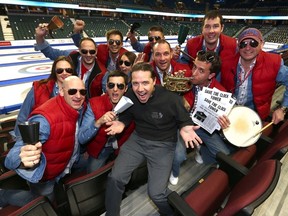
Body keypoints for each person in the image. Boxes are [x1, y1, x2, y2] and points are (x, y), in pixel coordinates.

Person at [104, 62, 202, 216]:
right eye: (135, 83)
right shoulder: (130, 94)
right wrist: (122, 123)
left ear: (154, 81)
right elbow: (128, 114)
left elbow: (184, 120)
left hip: (163, 145)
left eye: (145, 83)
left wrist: (185, 127)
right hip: (138, 140)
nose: (140, 89)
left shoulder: (171, 98)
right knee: (115, 178)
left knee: (156, 194)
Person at [2, 76, 86, 207]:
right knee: (44, 203)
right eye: (72, 91)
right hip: (46, 176)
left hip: (63, 165)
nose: (78, 95)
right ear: (62, 91)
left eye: (82, 92)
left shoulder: (78, 107)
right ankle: (4, 195)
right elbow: (11, 159)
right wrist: (21, 157)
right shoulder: (45, 119)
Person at [171, 51, 236, 186]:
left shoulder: (221, 93)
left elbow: (222, 124)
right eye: (194, 66)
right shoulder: (184, 76)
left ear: (211, 75)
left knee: (224, 155)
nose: (194, 73)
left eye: (201, 70)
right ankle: (174, 171)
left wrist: (223, 125)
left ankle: (200, 150)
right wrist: (178, 97)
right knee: (179, 156)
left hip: (202, 127)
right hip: (181, 124)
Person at [221, 28, 288, 125]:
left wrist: (283, 109)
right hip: (228, 114)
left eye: (253, 43)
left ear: (262, 44)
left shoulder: (274, 63)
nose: (247, 48)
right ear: (238, 46)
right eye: (243, 44)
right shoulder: (226, 63)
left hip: (256, 117)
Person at [78, 70, 134, 173]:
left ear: (126, 88)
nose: (115, 89)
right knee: (92, 176)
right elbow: (81, 138)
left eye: (120, 86)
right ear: (107, 87)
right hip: (100, 149)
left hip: (123, 148)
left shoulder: (133, 103)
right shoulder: (94, 104)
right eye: (111, 85)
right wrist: (98, 122)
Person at [13, 56, 77, 139]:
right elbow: (23, 116)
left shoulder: (78, 91)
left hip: (64, 140)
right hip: (39, 139)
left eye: (68, 70)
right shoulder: (39, 88)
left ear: (72, 72)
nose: (64, 73)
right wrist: (20, 142)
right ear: (54, 72)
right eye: (60, 70)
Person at [34, 23, 106, 98]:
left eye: (92, 52)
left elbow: (109, 92)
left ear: (96, 51)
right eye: (84, 51)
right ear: (79, 50)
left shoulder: (103, 72)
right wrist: (39, 36)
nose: (88, 55)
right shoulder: (71, 56)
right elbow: (50, 52)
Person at [173, 10, 237, 69]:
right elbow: (183, 66)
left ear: (222, 28)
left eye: (215, 26)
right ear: (202, 29)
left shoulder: (232, 45)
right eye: (207, 27)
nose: (211, 31)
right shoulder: (191, 44)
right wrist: (175, 59)